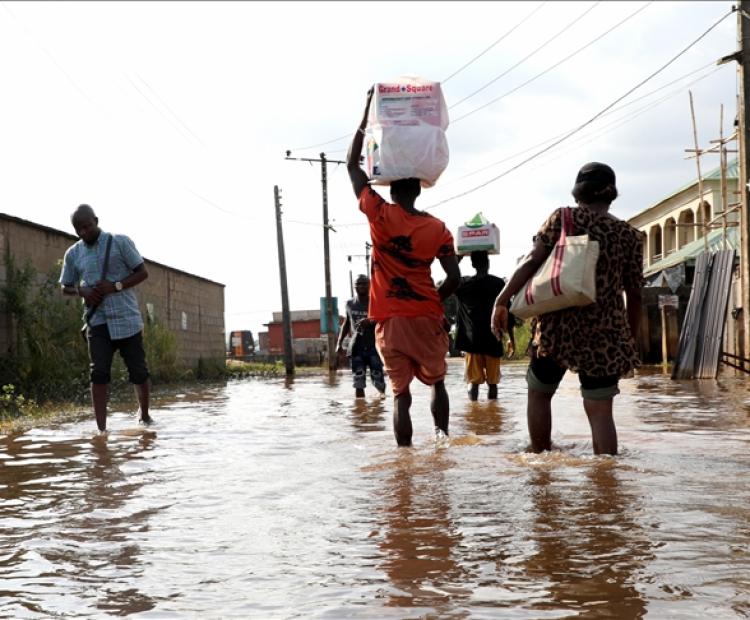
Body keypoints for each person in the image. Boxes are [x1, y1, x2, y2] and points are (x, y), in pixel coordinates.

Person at [491, 162, 643, 456]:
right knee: (600, 412)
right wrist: (630, 341)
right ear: (611, 195)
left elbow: (532, 261)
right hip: (606, 336)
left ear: (578, 193)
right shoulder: (630, 236)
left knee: (539, 394)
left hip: (556, 330)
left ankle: (541, 464)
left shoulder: (563, 218)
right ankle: (606, 483)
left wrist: (502, 300)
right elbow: (635, 295)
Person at [347, 87, 461, 447]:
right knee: (438, 382)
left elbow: (352, 166)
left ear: (392, 191)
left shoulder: (380, 215)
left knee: (400, 395)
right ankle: (442, 442)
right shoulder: (438, 229)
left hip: (391, 321)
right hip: (426, 316)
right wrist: (433, 301)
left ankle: (405, 459)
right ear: (419, 191)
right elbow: (454, 278)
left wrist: (366, 112)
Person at [60, 204, 153, 433]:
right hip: (97, 322)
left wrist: (116, 286)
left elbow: (142, 272)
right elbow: (64, 286)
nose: (83, 232)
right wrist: (82, 292)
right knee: (98, 373)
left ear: (96, 220)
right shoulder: (73, 254)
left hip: (127, 319)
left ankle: (145, 416)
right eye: (78, 229)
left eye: (87, 226)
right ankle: (101, 431)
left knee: (138, 372)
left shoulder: (120, 242)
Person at [454, 250, 515, 401]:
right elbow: (508, 314)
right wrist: (512, 340)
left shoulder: (464, 285)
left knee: (473, 383)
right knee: (493, 384)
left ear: (473, 264)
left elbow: (451, 279)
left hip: (472, 342)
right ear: (488, 263)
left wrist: (457, 260)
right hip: (493, 340)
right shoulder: (498, 284)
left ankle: (474, 414)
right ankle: (493, 417)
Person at [336, 274, 387, 398]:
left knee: (379, 381)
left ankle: (380, 406)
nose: (361, 286)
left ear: (369, 286)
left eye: (364, 283)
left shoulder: (375, 302)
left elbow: (384, 320)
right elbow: (346, 323)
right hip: (356, 348)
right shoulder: (349, 304)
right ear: (354, 287)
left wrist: (370, 321)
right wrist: (339, 343)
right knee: (358, 382)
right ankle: (360, 411)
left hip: (374, 348)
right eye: (358, 284)